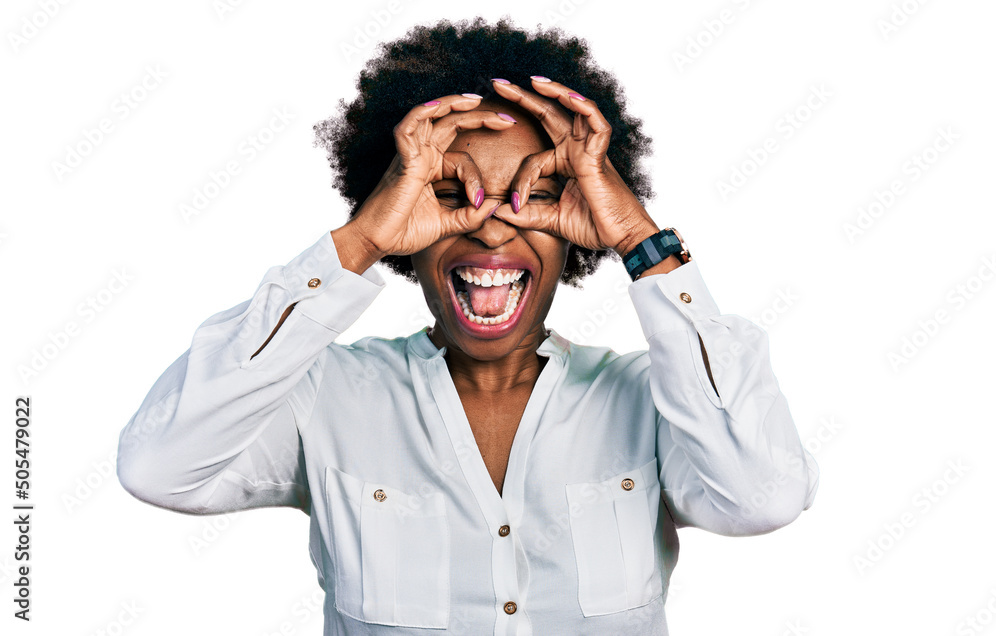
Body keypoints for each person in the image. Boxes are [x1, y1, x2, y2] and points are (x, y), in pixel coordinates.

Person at [117, 18, 818, 635]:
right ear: (404, 222)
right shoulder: (325, 397)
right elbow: (159, 468)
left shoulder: (654, 401)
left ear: (575, 228)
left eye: (537, 195)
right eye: (451, 194)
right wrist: (358, 242)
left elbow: (765, 496)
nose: (491, 227)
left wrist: (639, 238)